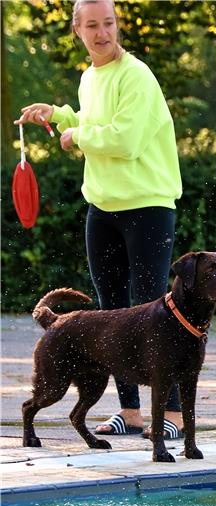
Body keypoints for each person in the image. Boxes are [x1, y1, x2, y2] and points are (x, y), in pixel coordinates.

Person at [15, 0, 185, 440]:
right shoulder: (90, 77)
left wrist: (78, 136)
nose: (102, 32)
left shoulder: (138, 75)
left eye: (108, 23)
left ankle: (173, 416)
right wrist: (59, 116)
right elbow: (93, 121)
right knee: (111, 315)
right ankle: (130, 414)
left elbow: (125, 140)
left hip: (148, 205)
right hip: (103, 209)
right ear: (78, 31)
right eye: (92, 25)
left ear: (116, 25)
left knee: (152, 313)